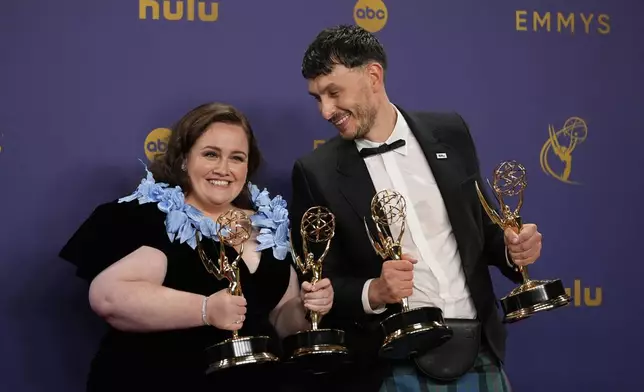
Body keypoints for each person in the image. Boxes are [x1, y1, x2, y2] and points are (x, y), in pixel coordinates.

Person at [289, 25, 544, 391]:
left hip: (479, 350)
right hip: (393, 364)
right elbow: (320, 287)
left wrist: (513, 248)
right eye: (317, 97)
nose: (326, 110)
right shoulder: (316, 172)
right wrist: (374, 291)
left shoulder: (450, 131)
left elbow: (484, 230)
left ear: (373, 75)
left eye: (334, 93)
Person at [59, 102, 335, 392]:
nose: (224, 169)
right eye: (211, 154)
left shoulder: (270, 226)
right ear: (182, 159)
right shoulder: (148, 217)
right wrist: (205, 310)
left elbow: (280, 318)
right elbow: (108, 298)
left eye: (237, 158)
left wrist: (307, 309)